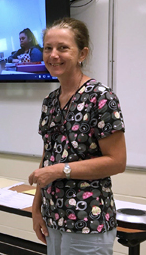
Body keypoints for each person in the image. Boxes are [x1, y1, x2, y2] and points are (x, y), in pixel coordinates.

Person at [28, 17, 126, 255]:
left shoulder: (101, 97)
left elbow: (117, 161)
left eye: (63, 48)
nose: (53, 55)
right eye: (48, 48)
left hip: (88, 220)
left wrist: (61, 170)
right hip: (53, 217)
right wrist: (36, 209)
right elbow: (47, 159)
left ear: (82, 54)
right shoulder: (50, 101)